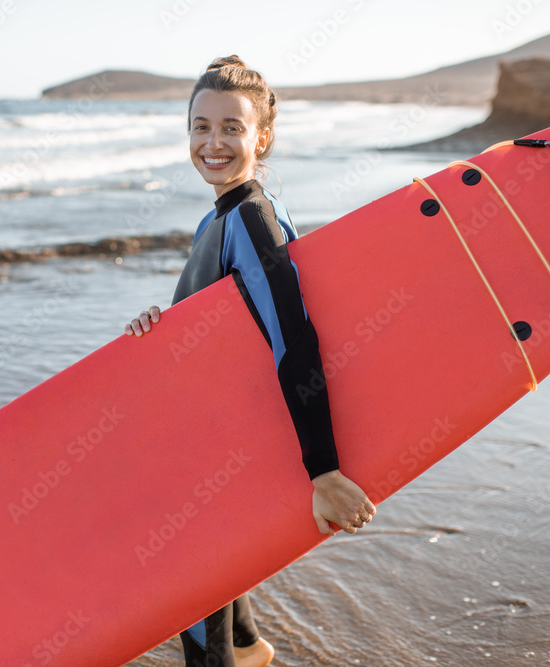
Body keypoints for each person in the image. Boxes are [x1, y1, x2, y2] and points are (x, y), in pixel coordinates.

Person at [124, 56, 376, 667]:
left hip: (219, 444)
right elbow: (228, 328)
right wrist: (165, 322)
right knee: (210, 579)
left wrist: (323, 470)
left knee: (190, 599)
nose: (213, 143)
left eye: (231, 128)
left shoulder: (253, 218)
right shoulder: (220, 217)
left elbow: (293, 331)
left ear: (261, 137)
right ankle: (249, 646)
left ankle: (230, 653)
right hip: (205, 436)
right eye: (200, 126)